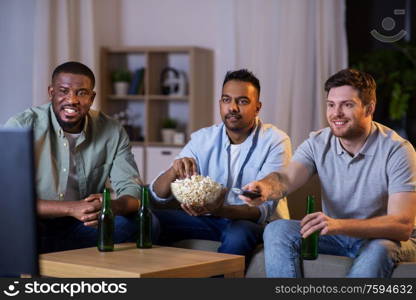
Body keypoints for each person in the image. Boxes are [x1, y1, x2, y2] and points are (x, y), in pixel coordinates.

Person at [240, 68, 416, 277]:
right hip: (337, 235)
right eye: (331, 105)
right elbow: (286, 178)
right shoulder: (318, 142)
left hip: (385, 239)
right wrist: (264, 187)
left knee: (379, 248)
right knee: (277, 230)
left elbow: (401, 225)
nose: (336, 113)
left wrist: (338, 225)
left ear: (369, 108)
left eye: (347, 105)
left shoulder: (397, 150)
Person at [5, 61, 159, 253]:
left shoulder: (112, 130)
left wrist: (111, 205)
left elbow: (132, 189)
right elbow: (9, 198)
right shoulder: (22, 126)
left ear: (92, 97)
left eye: (81, 93)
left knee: (146, 224)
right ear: (51, 92)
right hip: (33, 224)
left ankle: (63, 255)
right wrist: (71, 208)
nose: (72, 100)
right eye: (64, 91)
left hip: (84, 223)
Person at [150, 69, 291, 260]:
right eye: (226, 100)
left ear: (257, 108)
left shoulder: (275, 141)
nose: (232, 107)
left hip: (255, 223)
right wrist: (174, 170)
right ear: (220, 104)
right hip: (210, 219)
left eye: (242, 101)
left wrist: (218, 209)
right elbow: (158, 195)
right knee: (150, 219)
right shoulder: (204, 138)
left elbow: (260, 211)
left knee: (238, 235)